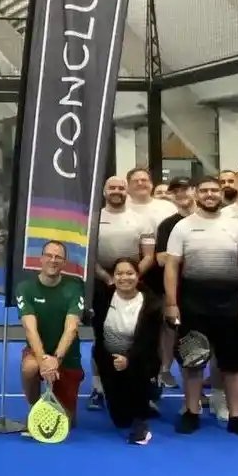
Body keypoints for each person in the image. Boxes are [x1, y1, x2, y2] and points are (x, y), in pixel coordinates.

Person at [163, 176, 238, 438]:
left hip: (230, 305)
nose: (209, 195)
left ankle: (236, 416)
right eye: (204, 190)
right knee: (192, 361)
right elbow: (171, 267)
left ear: (221, 193)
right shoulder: (182, 227)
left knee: (233, 363)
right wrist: (172, 304)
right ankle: (191, 412)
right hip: (193, 304)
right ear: (196, 194)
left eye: (214, 190)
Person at [89, 175, 157, 413]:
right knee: (102, 337)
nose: (116, 191)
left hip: (133, 282)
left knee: (141, 337)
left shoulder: (141, 220)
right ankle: (99, 388)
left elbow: (149, 255)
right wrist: (109, 280)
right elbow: (90, 256)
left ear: (126, 191)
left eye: (120, 187)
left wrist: (131, 277)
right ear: (104, 191)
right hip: (102, 284)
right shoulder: (93, 219)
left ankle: (142, 386)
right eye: (112, 187)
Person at [91, 257, 165, 444]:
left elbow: (148, 342)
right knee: (120, 420)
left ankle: (149, 394)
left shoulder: (152, 305)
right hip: (109, 361)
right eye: (119, 274)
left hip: (139, 361)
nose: (124, 278)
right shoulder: (103, 297)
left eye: (130, 273)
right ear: (113, 277)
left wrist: (129, 359)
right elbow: (97, 333)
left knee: (136, 414)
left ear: (138, 276)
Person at [14, 240, 85, 420]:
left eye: (58, 257)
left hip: (67, 356)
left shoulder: (75, 287)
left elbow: (71, 328)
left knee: (67, 422)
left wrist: (57, 359)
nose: (53, 260)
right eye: (49, 255)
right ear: (40, 259)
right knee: (30, 368)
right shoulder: (25, 288)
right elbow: (30, 330)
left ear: (64, 263)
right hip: (39, 352)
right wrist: (43, 361)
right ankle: (35, 408)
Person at [152, 178, 194, 388]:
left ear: (194, 191)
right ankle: (165, 370)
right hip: (174, 288)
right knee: (171, 330)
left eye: (185, 189)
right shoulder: (168, 224)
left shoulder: (210, 219)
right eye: (175, 191)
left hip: (205, 288)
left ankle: (212, 387)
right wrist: (193, 256)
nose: (181, 194)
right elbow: (160, 259)